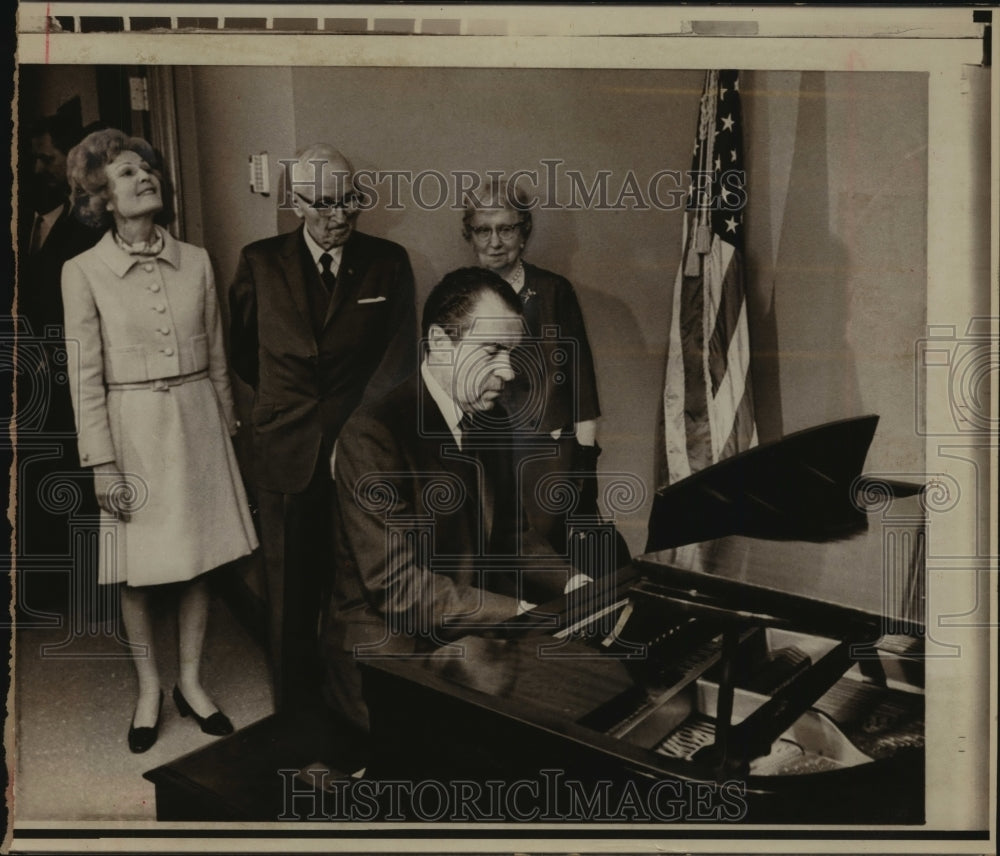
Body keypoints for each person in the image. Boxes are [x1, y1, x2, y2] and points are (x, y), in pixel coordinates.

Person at [61, 129, 259, 752]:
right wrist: (101, 462)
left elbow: (220, 357)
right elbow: (84, 376)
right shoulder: (82, 271)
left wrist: (227, 428)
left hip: (198, 419)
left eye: (146, 168)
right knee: (138, 572)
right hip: (131, 430)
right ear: (101, 197)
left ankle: (192, 684)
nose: (142, 177)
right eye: (124, 173)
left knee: (200, 559)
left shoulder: (197, 259)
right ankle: (149, 688)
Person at [322, 267, 577, 735]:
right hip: (391, 651)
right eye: (492, 352)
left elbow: (511, 536)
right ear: (440, 343)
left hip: (467, 630)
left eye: (513, 353)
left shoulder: (491, 418)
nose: (508, 371)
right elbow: (398, 588)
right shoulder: (373, 431)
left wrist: (574, 584)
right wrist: (518, 613)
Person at [228, 143, 417, 710]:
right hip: (284, 449)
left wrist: (354, 435)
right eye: (325, 205)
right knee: (287, 592)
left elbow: (400, 355)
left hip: (361, 450)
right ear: (296, 203)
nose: (339, 218)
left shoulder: (389, 261)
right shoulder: (259, 262)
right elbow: (242, 350)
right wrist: (288, 408)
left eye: (350, 204)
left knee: (362, 584)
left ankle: (355, 708)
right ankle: (294, 711)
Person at [462, 179, 603, 557]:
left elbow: (582, 390)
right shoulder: (457, 297)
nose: (495, 242)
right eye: (483, 230)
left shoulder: (554, 291)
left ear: (524, 233)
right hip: (478, 453)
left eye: (506, 228)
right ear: (470, 235)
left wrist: (585, 478)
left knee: (545, 563)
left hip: (545, 457)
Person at [16, 114, 101, 590]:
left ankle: (76, 585)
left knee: (67, 479)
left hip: (64, 379)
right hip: (33, 378)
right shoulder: (33, 220)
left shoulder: (85, 231)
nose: (36, 167)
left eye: (45, 157)